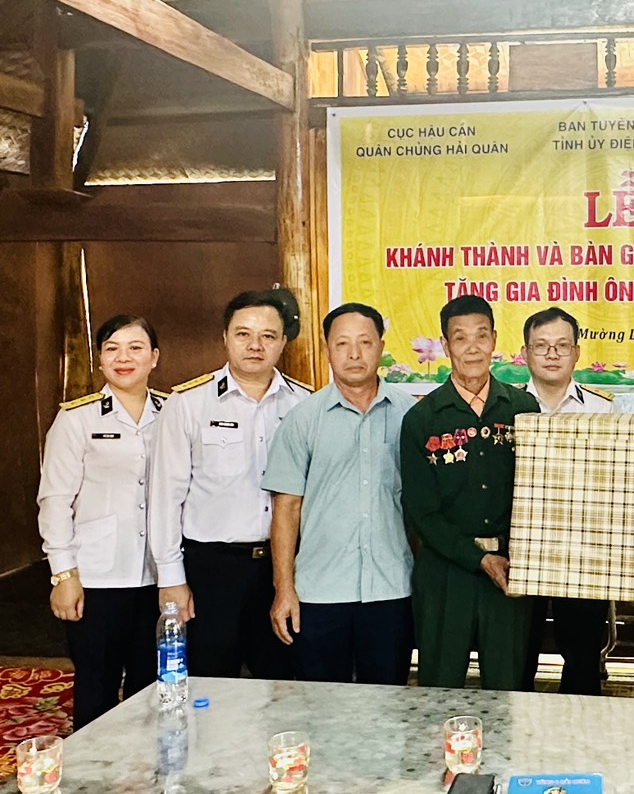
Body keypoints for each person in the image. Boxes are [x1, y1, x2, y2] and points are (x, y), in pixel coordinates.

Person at [149, 290, 311, 679]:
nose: (255, 345)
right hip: (212, 570)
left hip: (285, 567)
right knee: (211, 685)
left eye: (268, 336)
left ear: (283, 342)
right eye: (243, 334)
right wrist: (171, 579)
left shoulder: (305, 404)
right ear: (225, 337)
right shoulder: (188, 403)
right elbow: (165, 497)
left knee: (283, 684)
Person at [261, 303, 416, 684]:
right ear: (327, 349)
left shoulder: (409, 415)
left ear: (381, 347)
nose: (354, 353)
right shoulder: (303, 419)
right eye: (342, 343)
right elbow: (286, 509)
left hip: (390, 589)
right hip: (319, 592)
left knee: (388, 704)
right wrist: (284, 590)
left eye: (365, 342)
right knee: (321, 706)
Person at [400, 295, 541, 690]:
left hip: (511, 570)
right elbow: (421, 512)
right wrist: (478, 559)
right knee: (439, 690)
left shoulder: (523, 409)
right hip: (445, 574)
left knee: (509, 690)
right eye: (460, 338)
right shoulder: (422, 419)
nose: (473, 347)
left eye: (481, 335)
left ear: (494, 339)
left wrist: (510, 557)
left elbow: (537, 495)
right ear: (446, 346)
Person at [37, 314, 167, 728]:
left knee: (154, 688)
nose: (123, 358)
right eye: (112, 349)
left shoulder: (173, 412)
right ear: (100, 359)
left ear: (154, 357)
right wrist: (64, 574)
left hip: (159, 575)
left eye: (135, 348)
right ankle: (94, 764)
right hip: (97, 578)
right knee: (97, 686)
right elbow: (55, 500)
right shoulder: (77, 418)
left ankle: (148, 762)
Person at [518, 306, 617, 695]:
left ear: (576, 352)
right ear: (525, 353)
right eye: (541, 346)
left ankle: (580, 726)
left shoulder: (602, 410)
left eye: (562, 345)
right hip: (522, 547)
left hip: (583, 548)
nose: (552, 354)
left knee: (582, 656)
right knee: (519, 654)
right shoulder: (507, 407)